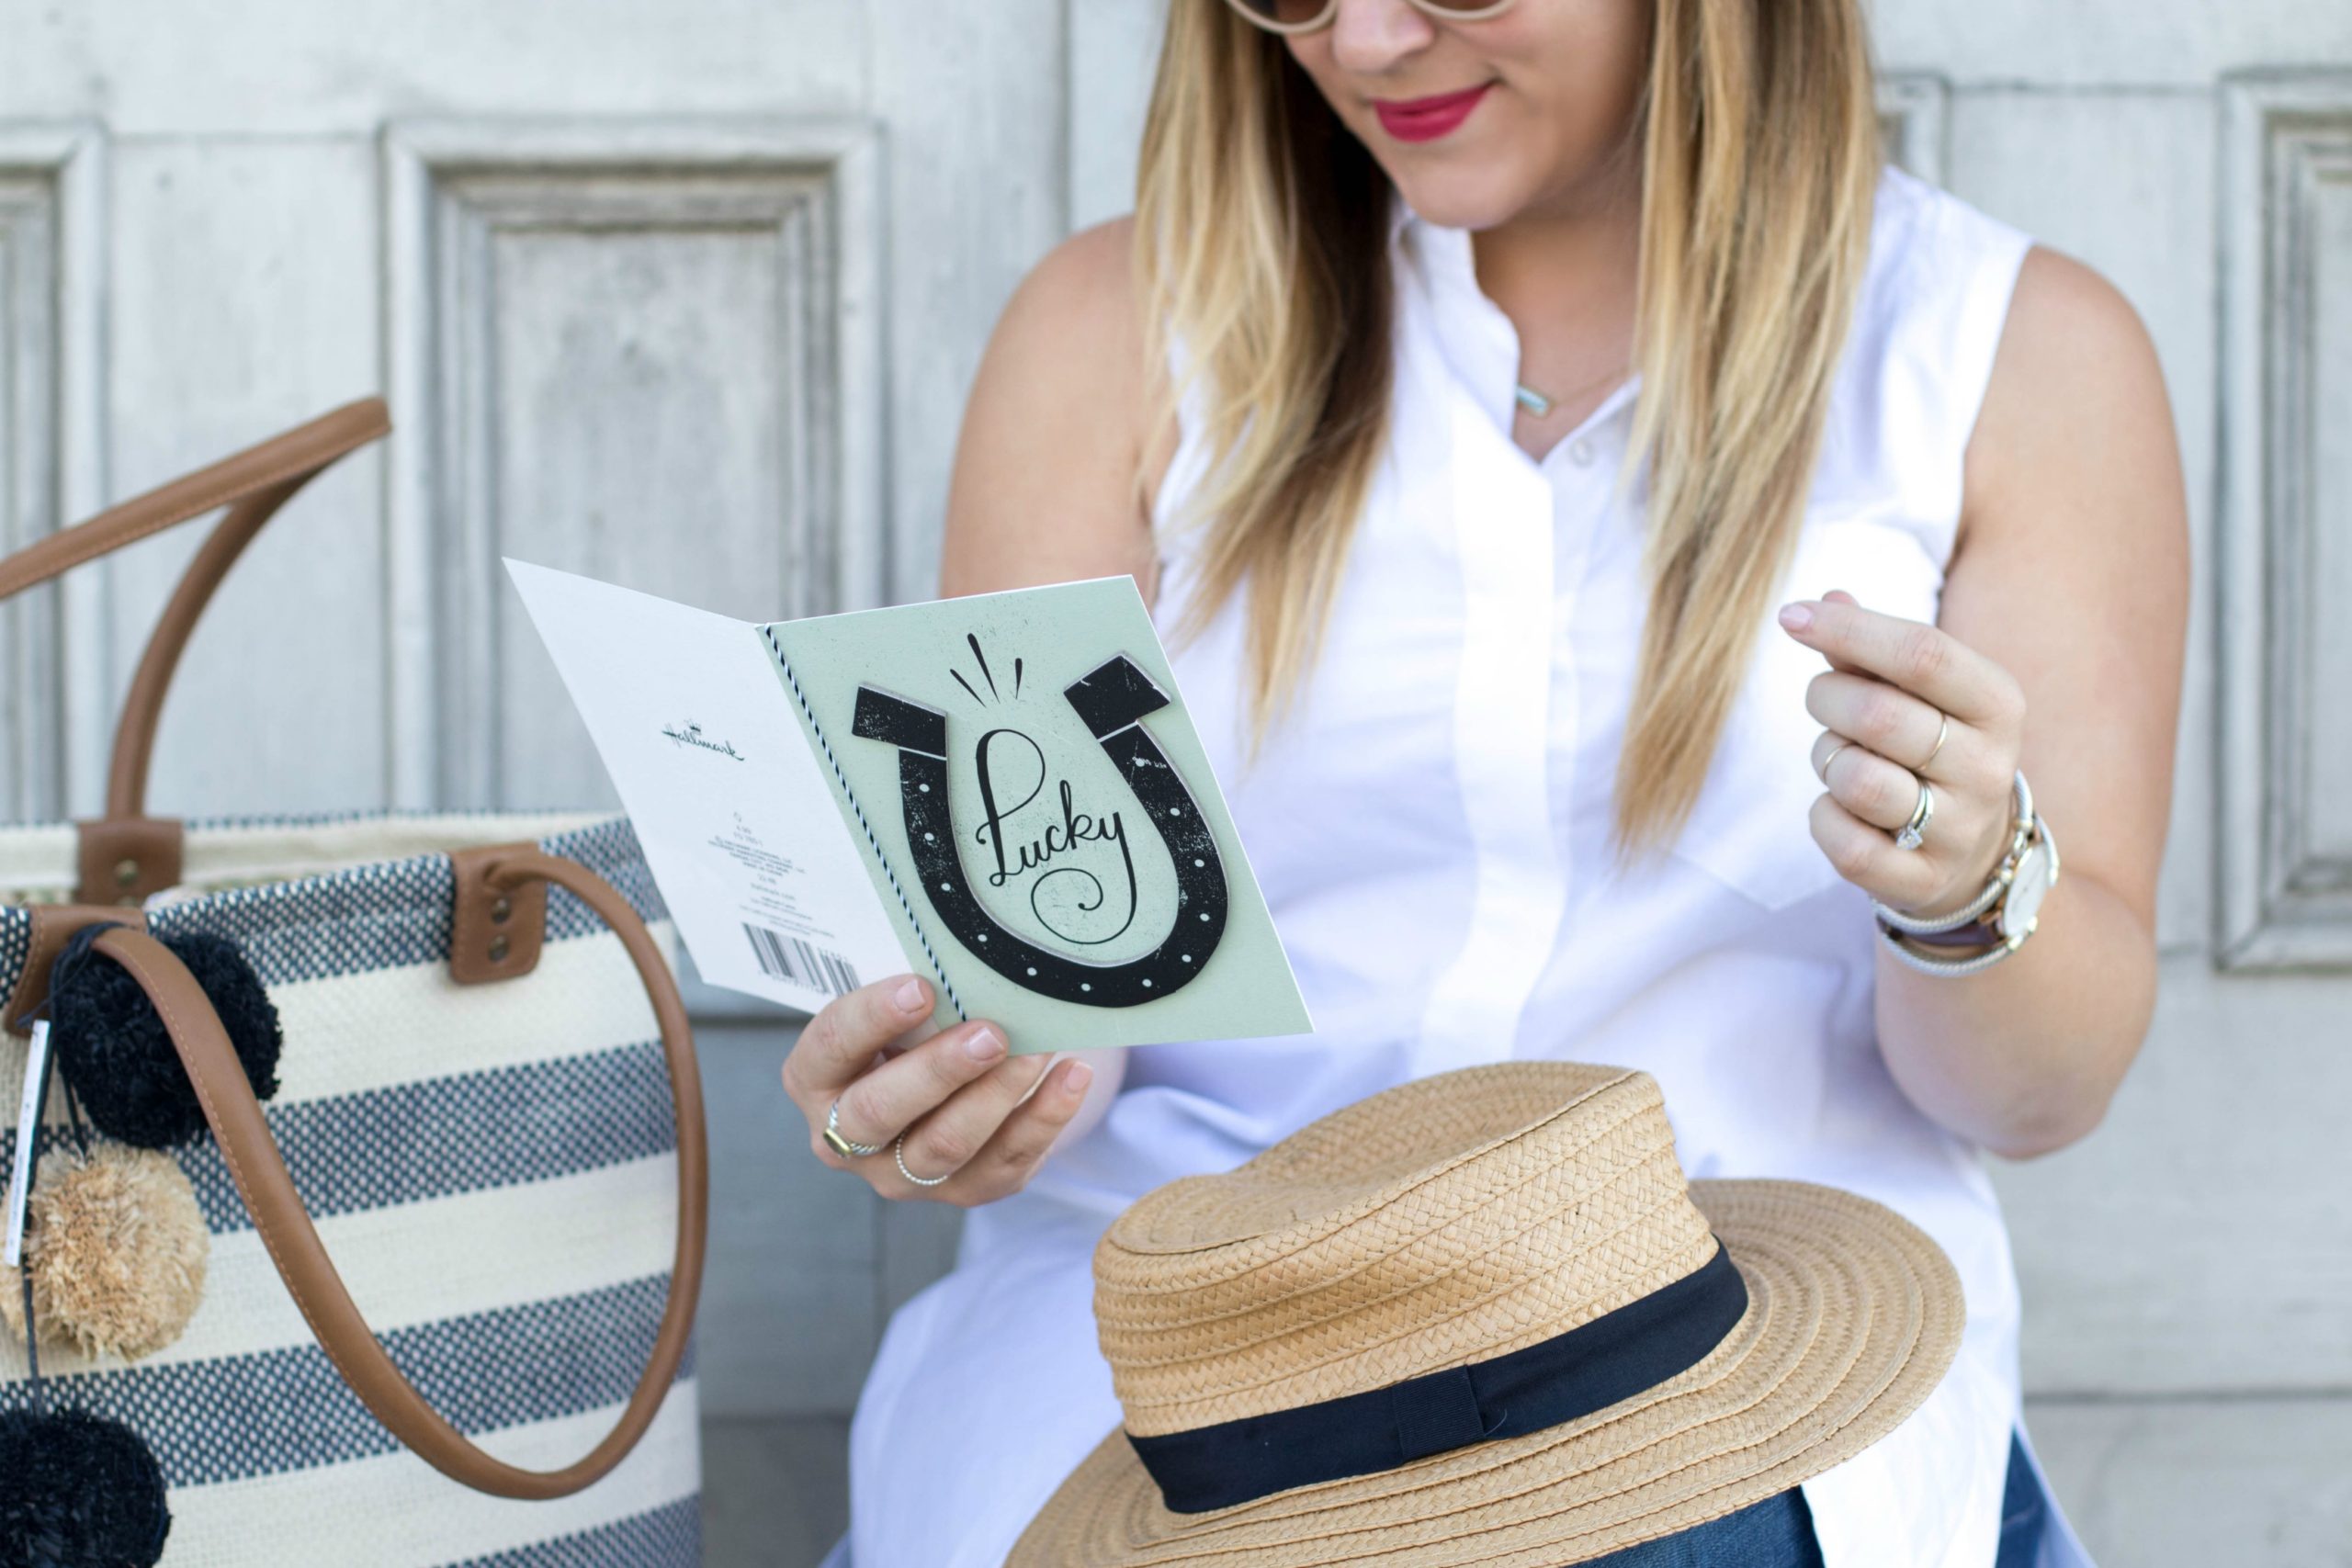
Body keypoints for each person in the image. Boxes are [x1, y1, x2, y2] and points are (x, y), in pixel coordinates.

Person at [790, 1, 2188, 1563]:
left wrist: (1965, 888)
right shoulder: (1111, 330)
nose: (1369, 42)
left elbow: (2039, 1094)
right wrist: (979, 1071)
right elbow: (1063, 998)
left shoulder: (2010, 357)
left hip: (1732, 1324)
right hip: (1193, 1349)